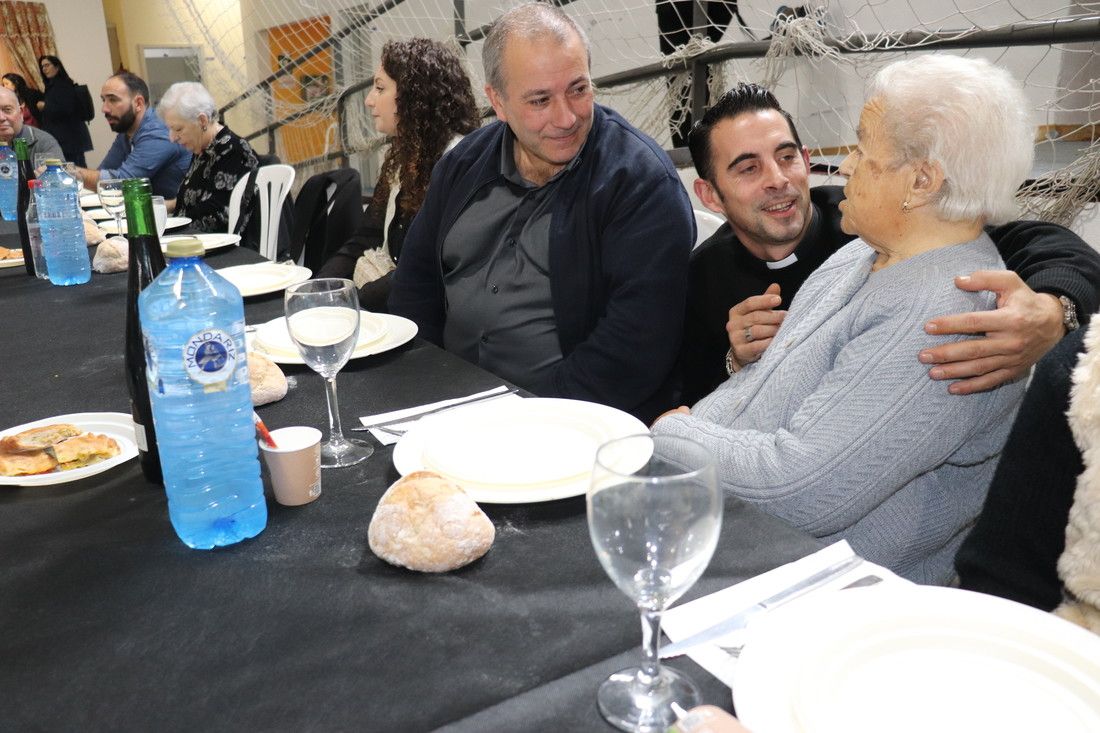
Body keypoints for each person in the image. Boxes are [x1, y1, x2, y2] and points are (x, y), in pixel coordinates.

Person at [654, 54, 1034, 584]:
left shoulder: (943, 319)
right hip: (726, 532)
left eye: (863, 149)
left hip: (809, 589)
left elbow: (799, 491)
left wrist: (671, 435)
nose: (846, 166)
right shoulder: (865, 250)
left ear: (922, 181)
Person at [679, 83, 1100, 405]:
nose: (778, 179)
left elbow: (1037, 241)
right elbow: (691, 400)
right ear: (711, 195)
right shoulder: (702, 276)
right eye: (748, 168)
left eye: (787, 157)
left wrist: (1055, 310)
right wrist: (736, 362)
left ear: (806, 161)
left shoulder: (868, 221)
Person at [388, 2, 694, 423]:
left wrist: (523, 419)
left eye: (578, 89)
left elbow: (633, 350)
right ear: (497, 102)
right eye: (539, 100)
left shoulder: (640, 183)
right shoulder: (461, 165)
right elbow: (415, 284)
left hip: (573, 424)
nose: (566, 117)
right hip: (450, 406)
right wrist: (429, 386)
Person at [316, 38, 479, 310]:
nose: (369, 100)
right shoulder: (404, 155)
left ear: (415, 97)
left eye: (380, 88)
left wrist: (352, 302)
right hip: (397, 304)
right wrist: (322, 288)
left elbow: (429, 266)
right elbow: (365, 236)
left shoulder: (458, 163)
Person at [157, 81, 258, 233]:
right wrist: (166, 206)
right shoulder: (203, 149)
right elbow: (196, 199)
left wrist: (166, 230)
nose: (172, 138)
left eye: (178, 129)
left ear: (202, 121)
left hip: (222, 248)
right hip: (194, 239)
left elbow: (215, 216)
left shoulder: (232, 151)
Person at [75, 72, 191, 199]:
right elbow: (104, 172)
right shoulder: (127, 131)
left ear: (138, 103)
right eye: (104, 100)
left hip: (178, 215)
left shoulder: (158, 133)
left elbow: (125, 183)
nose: (104, 109)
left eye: (113, 100)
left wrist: (69, 172)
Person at [35, 55, 93, 167]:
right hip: (64, 138)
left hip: (70, 138)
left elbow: (67, 108)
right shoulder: (52, 85)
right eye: (42, 67)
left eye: (47, 65)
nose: (44, 69)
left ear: (57, 67)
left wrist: (45, 106)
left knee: (76, 170)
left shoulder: (63, 84)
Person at [0, 87, 64, 161]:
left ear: (21, 113)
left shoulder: (42, 142)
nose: (1, 118)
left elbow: (57, 170)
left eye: (7, 110)